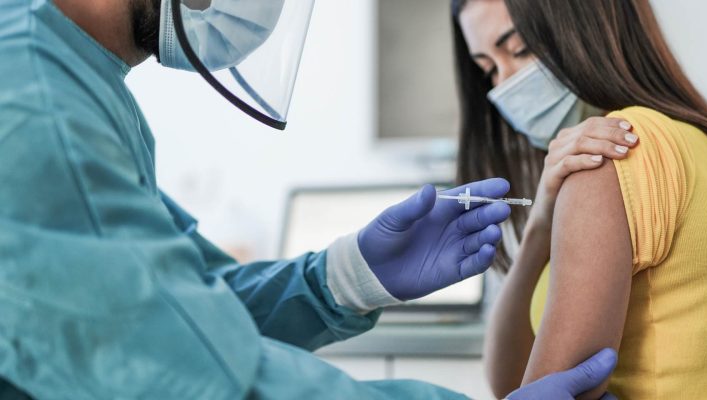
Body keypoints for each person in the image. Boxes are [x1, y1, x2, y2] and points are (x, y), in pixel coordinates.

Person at [0, 0, 618, 398]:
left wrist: (347, 277)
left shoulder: (72, 78)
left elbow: (192, 305)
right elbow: (200, 377)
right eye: (489, 65)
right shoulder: (35, 98)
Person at [450, 0, 707, 399]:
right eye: (488, 69)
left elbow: (540, 390)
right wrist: (539, 224)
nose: (505, 84)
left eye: (519, 50)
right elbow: (512, 385)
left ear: (588, 23)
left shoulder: (611, 152)